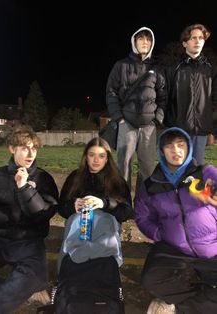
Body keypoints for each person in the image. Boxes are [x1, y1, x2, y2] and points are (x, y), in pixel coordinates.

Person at [134, 127, 217, 314]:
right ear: (162, 151)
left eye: (181, 145)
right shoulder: (151, 185)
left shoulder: (204, 172)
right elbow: (141, 216)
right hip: (174, 248)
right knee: (151, 280)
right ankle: (205, 298)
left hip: (212, 246)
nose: (176, 151)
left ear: (188, 147)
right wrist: (160, 233)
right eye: (170, 147)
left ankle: (176, 306)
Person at [0, 125, 59, 313]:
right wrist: (8, 218)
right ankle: (4, 293)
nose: (30, 153)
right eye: (24, 148)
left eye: (33, 148)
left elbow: (44, 213)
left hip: (29, 242)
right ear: (12, 149)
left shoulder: (43, 179)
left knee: (35, 277)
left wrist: (25, 188)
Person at [54, 137, 133, 313]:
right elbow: (61, 208)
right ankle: (71, 282)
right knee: (75, 226)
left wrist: (105, 204)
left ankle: (100, 279)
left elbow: (127, 211)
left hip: (105, 228)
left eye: (101, 156)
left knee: (103, 231)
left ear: (107, 158)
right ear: (85, 157)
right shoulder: (75, 177)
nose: (96, 160)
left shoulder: (117, 180)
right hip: (78, 226)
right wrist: (73, 205)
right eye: (91, 155)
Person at [106, 26, 167, 192]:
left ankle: (143, 203)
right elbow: (111, 92)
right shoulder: (121, 65)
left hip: (149, 126)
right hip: (127, 124)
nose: (145, 42)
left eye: (148, 39)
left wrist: (157, 118)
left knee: (147, 168)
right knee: (123, 166)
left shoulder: (157, 69)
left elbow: (163, 96)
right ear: (134, 42)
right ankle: (123, 203)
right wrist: (119, 117)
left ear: (152, 43)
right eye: (141, 39)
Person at [164, 23, 217, 165]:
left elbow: (213, 101)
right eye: (193, 38)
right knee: (179, 169)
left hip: (201, 131)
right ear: (185, 43)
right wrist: (169, 126)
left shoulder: (210, 69)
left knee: (197, 171)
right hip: (179, 130)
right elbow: (166, 99)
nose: (197, 41)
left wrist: (211, 130)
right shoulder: (174, 68)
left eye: (201, 38)